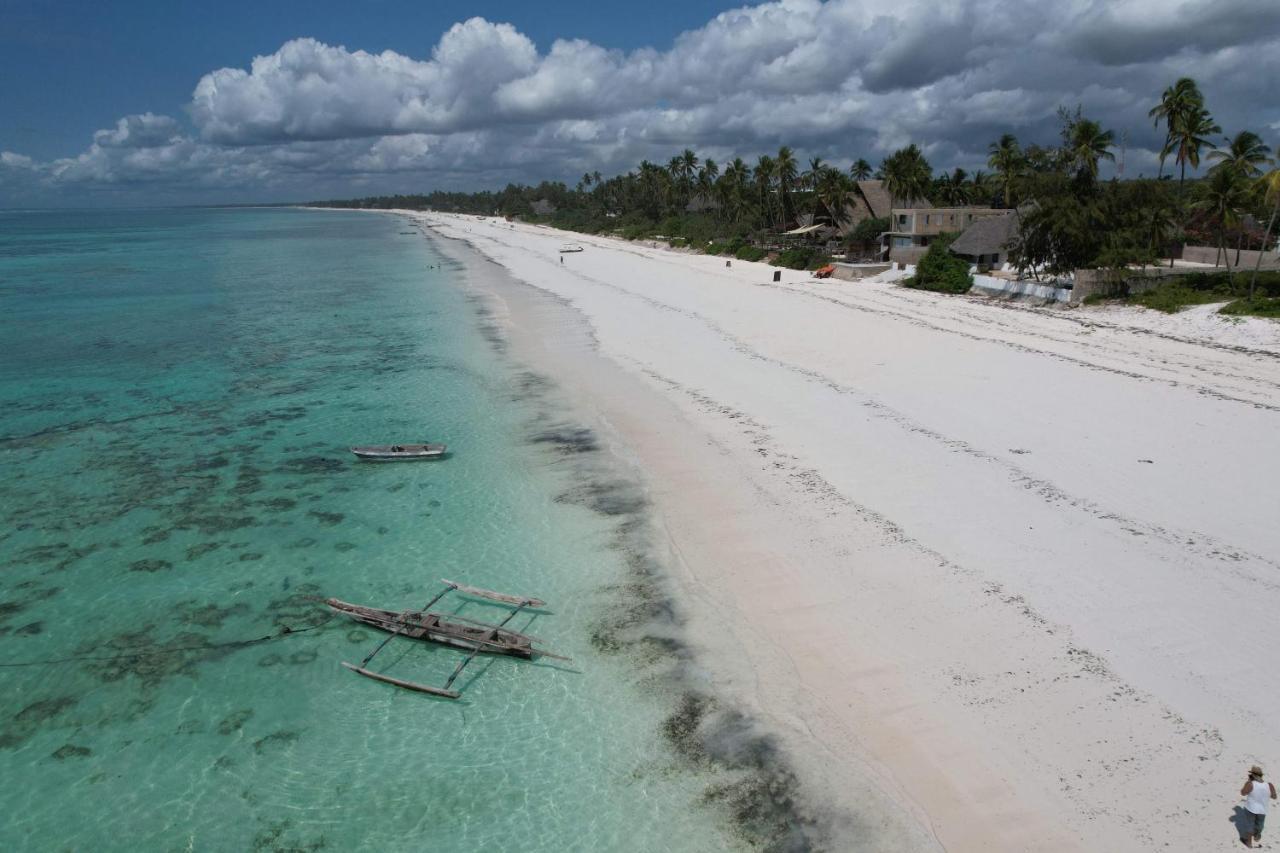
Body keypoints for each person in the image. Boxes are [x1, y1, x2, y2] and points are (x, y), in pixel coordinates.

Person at [1242, 765, 1277, 847]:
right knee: (1260, 824)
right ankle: (1257, 837)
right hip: (1262, 809)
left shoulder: (1250, 784)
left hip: (1250, 808)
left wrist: (1247, 783)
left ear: (1253, 775)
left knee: (1250, 824)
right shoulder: (1269, 785)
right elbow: (1274, 797)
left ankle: (1249, 843)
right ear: (1261, 775)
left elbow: (1243, 793)